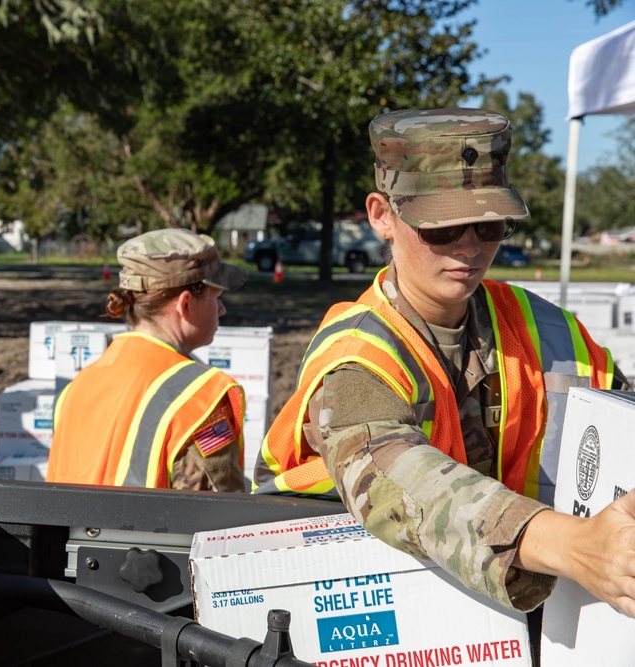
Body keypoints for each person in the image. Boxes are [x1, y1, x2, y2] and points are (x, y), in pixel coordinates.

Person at [254, 108, 635, 623]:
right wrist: (574, 545)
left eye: (489, 224)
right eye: (443, 227)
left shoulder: (551, 329)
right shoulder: (358, 357)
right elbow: (404, 485)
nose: (471, 247)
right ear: (381, 215)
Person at [46, 228, 249, 492]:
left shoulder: (77, 386)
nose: (222, 309)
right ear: (185, 304)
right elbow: (216, 516)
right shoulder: (199, 397)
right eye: (216, 298)